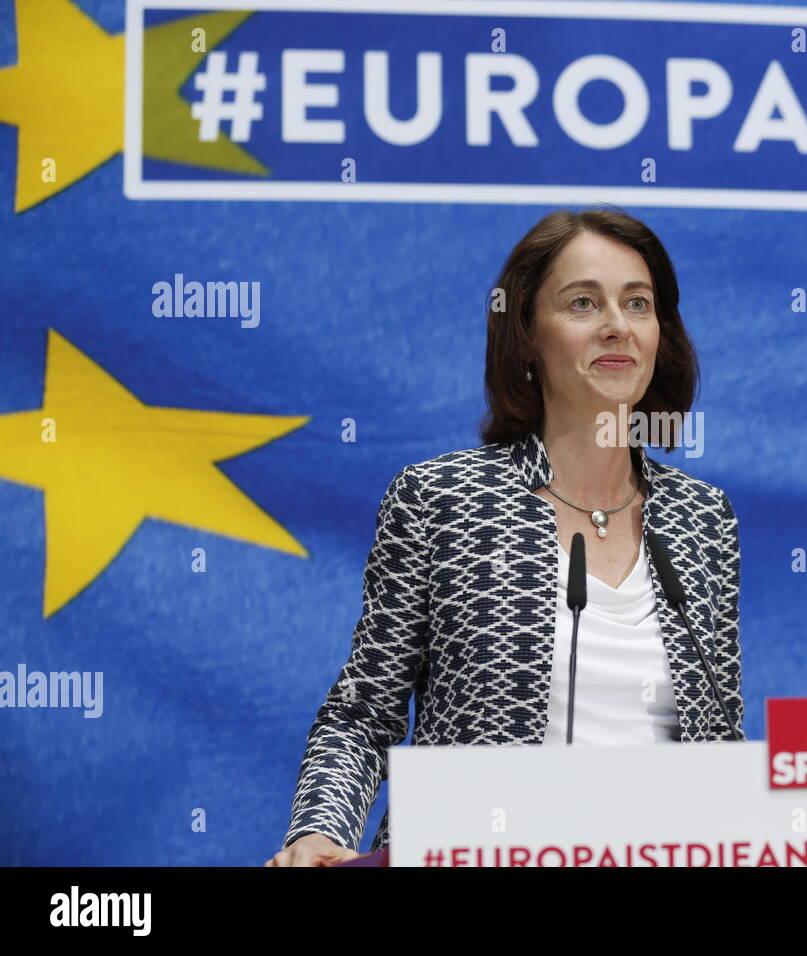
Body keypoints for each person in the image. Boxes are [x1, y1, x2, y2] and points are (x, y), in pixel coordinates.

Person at [265, 206, 743, 867]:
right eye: (583, 303)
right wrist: (316, 830)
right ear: (527, 336)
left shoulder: (702, 518)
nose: (617, 326)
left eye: (639, 303)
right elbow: (362, 714)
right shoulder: (441, 501)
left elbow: (719, 735)